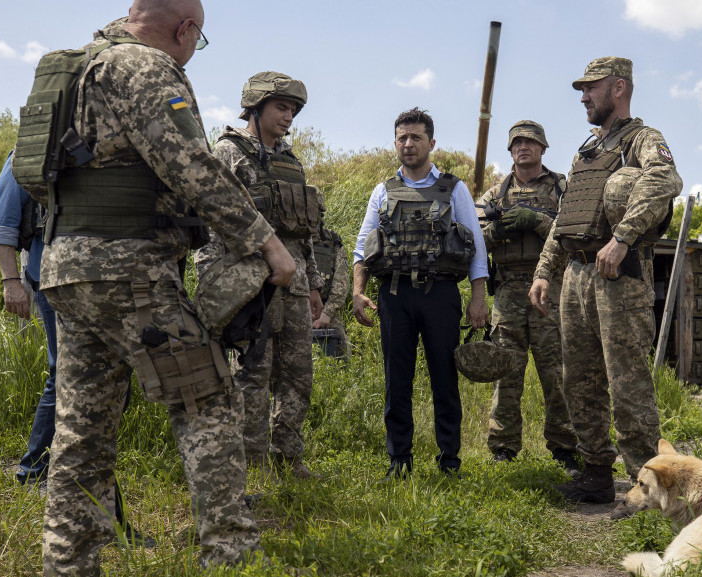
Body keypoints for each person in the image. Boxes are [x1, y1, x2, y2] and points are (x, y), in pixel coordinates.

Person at [32, 2, 295, 573]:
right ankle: (230, 558)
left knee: (82, 432)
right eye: (194, 43)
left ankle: (68, 565)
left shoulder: (79, 68)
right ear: (185, 30)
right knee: (207, 400)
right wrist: (266, 243)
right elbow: (191, 165)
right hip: (133, 273)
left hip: (68, 270)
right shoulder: (145, 68)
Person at [528, 57, 682, 512]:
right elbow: (566, 216)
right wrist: (543, 270)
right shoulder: (587, 150)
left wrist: (622, 237)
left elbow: (665, 180)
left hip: (620, 274)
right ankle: (596, 474)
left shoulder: (644, 139)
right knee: (580, 379)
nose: (583, 98)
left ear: (618, 88)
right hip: (576, 275)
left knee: (628, 381)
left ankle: (650, 490)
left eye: (590, 88)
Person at [0, 153, 151, 546]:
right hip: (54, 280)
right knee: (65, 376)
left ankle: (54, 470)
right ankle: (37, 472)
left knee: (106, 381)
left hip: (111, 285)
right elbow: (2, 223)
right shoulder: (30, 148)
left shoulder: (110, 149)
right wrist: (11, 281)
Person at [195, 71, 323, 478]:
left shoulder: (290, 161)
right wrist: (219, 285)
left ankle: (289, 456)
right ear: (256, 107)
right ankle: (253, 464)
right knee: (253, 376)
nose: (289, 117)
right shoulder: (227, 154)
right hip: (250, 286)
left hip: (296, 283)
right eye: (282, 107)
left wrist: (315, 283)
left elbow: (305, 232)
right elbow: (214, 225)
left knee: (299, 374)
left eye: (294, 110)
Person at [352, 107, 488, 478]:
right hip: (394, 296)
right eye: (402, 137)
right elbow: (363, 247)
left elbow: (476, 246)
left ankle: (449, 461)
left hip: (440, 294)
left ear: (431, 142)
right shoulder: (382, 190)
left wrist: (478, 299)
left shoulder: (453, 188)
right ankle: (399, 460)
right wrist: (357, 292)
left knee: (445, 378)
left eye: (415, 137)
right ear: (395, 142)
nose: (408, 144)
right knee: (397, 380)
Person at [475, 121, 577, 469]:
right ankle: (503, 447)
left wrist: (536, 220)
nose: (523, 148)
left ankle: (566, 447)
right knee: (507, 370)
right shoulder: (494, 195)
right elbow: (472, 240)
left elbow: (574, 232)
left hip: (551, 286)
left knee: (558, 372)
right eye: (517, 143)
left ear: (543, 148)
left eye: (530, 142)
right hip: (508, 289)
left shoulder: (562, 187)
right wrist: (499, 229)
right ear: (510, 150)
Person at [311, 192, 352, 358]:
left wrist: (326, 313)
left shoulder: (331, 241)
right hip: (293, 309)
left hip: (325, 310)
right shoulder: (287, 240)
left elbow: (341, 283)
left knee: (342, 353)